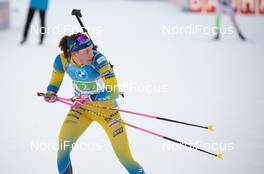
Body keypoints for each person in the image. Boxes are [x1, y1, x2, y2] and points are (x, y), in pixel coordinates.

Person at [44, 32, 145, 174]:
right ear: (74, 53)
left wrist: (91, 98)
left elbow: (114, 91)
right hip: (81, 110)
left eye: (92, 48)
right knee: (63, 149)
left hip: (108, 112)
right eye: (86, 51)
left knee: (125, 158)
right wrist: (51, 93)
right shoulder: (61, 60)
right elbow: (54, 83)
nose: (92, 53)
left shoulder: (99, 60)